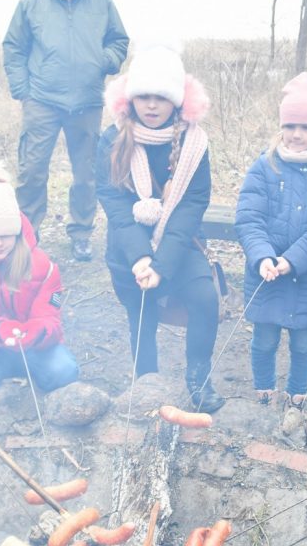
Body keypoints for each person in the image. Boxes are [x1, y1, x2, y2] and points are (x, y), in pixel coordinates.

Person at [95, 42, 225, 413]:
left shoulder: (194, 144)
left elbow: (191, 206)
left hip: (178, 244)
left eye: (161, 98)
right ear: (130, 99)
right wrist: (139, 259)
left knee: (204, 298)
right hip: (127, 246)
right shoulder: (112, 139)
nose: (151, 106)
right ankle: (146, 381)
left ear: (178, 102)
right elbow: (116, 207)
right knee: (141, 314)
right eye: (144, 96)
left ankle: (198, 379)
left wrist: (162, 263)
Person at [2, 0, 129, 262]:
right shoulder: (31, 3)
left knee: (87, 173)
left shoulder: (101, 1)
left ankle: (82, 233)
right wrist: (23, 92)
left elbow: (119, 40)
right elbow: (13, 47)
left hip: (87, 101)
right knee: (32, 171)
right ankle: (27, 235)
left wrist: (104, 61)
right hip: (42, 100)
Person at [234, 72, 307, 410]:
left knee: (303, 341)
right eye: (291, 125)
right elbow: (249, 218)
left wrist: (293, 260)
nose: (297, 134)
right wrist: (263, 256)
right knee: (265, 338)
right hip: (267, 272)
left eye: (306, 127)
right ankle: (264, 392)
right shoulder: (264, 167)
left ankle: (297, 394)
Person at [0, 160, 78, 398]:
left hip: (36, 348)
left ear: (17, 232)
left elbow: (51, 316)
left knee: (65, 371)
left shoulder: (44, 267)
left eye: (6, 235)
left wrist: (37, 332)